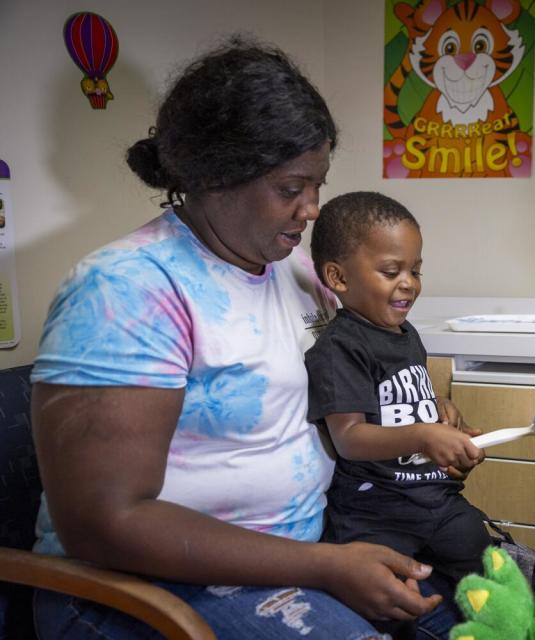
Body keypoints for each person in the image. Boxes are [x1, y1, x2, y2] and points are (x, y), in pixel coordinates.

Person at [30, 38, 459, 640]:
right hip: (139, 586)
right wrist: (326, 567)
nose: (312, 209)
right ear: (214, 175)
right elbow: (103, 523)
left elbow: (358, 373)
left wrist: (419, 403)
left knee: (500, 611)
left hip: (317, 544)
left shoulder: (299, 271)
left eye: (318, 185)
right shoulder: (126, 289)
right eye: (291, 189)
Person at [307, 191, 490, 635]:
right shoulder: (341, 347)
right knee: (384, 603)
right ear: (338, 278)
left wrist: (441, 412)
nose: (409, 282)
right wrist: (424, 435)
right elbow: (350, 437)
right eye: (392, 271)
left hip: (432, 498)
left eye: (415, 269)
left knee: (482, 551)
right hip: (376, 510)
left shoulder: (404, 334)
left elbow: (405, 400)